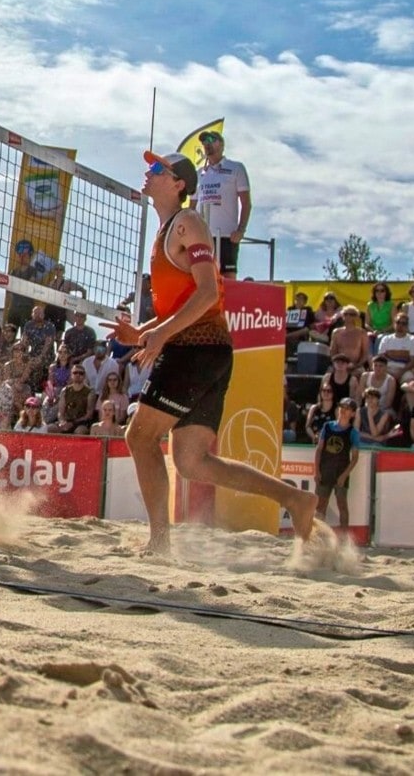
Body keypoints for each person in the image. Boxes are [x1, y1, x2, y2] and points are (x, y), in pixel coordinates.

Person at [118, 151, 320, 556]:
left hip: (198, 347)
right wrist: (142, 332)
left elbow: (210, 292)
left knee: (139, 436)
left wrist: (157, 333)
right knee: (192, 462)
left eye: (158, 169)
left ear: (179, 185)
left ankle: (159, 542)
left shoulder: (187, 223)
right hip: (202, 348)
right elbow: (188, 299)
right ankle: (295, 499)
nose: (149, 172)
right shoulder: (166, 232)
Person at [191, 131, 251, 277]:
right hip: (203, 236)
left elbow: (246, 203)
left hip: (226, 235)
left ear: (222, 144)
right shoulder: (199, 174)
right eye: (204, 142)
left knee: (227, 278)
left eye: (211, 139)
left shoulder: (236, 168)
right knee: (201, 277)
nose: (207, 144)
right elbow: (191, 207)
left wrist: (241, 230)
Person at [313, 398, 360, 529]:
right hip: (325, 470)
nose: (343, 411)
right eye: (342, 407)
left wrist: (344, 475)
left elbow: (355, 458)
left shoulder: (353, 432)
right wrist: (317, 471)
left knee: (342, 505)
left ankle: (344, 539)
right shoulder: (328, 427)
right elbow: (319, 449)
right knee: (320, 505)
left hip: (340, 471)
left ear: (353, 414)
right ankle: (318, 535)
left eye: (347, 409)